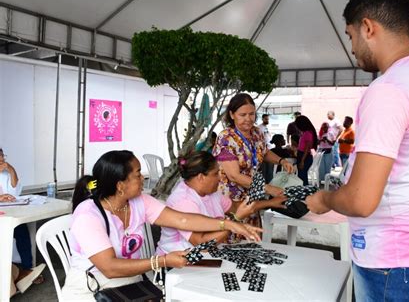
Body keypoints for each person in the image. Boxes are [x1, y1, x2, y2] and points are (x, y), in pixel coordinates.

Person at [306, 0, 409, 300]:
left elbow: (361, 200)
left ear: (368, 27)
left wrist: (325, 200)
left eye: (350, 36)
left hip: (395, 260)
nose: (352, 48)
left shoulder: (389, 89)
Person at [63, 150, 261, 300]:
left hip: (131, 282)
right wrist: (162, 261)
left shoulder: (139, 201)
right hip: (91, 288)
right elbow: (110, 268)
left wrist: (227, 223)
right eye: (138, 174)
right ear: (120, 185)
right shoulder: (88, 214)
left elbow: (182, 219)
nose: (143, 178)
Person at [213, 93, 293, 242]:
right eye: (242, 115)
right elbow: (234, 176)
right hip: (231, 202)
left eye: (251, 114)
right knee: (231, 245)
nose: (248, 119)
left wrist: (281, 161)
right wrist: (267, 188)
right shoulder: (226, 138)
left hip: (253, 198)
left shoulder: (257, 133)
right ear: (232, 114)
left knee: (251, 242)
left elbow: (264, 151)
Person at [156, 151, 257, 254]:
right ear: (201, 177)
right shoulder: (183, 201)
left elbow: (235, 208)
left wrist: (269, 202)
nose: (220, 178)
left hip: (200, 260)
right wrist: (235, 221)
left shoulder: (211, 193)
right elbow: (201, 245)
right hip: (174, 266)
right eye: (215, 173)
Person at [0, 148, 45, 295]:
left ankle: (27, 269)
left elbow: (15, 193)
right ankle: (13, 273)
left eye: (3, 157)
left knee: (21, 230)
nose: (2, 161)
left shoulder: (5, 173)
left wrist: (11, 170)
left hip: (6, 212)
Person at [295, 116, 318, 185]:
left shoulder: (308, 133)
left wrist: (302, 161)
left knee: (302, 177)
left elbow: (307, 148)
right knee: (301, 176)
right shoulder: (305, 133)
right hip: (302, 155)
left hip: (304, 156)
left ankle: (305, 192)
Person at [258, 114, 274, 183]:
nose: (267, 121)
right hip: (263, 149)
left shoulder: (266, 127)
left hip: (269, 148)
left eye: (268, 119)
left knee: (270, 169)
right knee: (264, 169)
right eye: (266, 119)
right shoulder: (259, 128)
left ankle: (269, 183)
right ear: (262, 119)